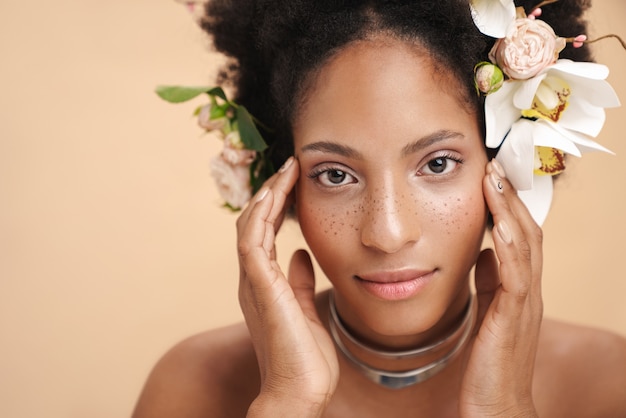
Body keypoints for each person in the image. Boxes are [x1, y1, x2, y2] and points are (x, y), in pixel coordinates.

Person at [134, 0, 626, 416]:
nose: (387, 234)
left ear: (509, 164)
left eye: (437, 164)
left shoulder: (607, 387)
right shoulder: (193, 387)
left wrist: (504, 409)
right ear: (282, 186)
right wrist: (286, 402)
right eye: (335, 175)